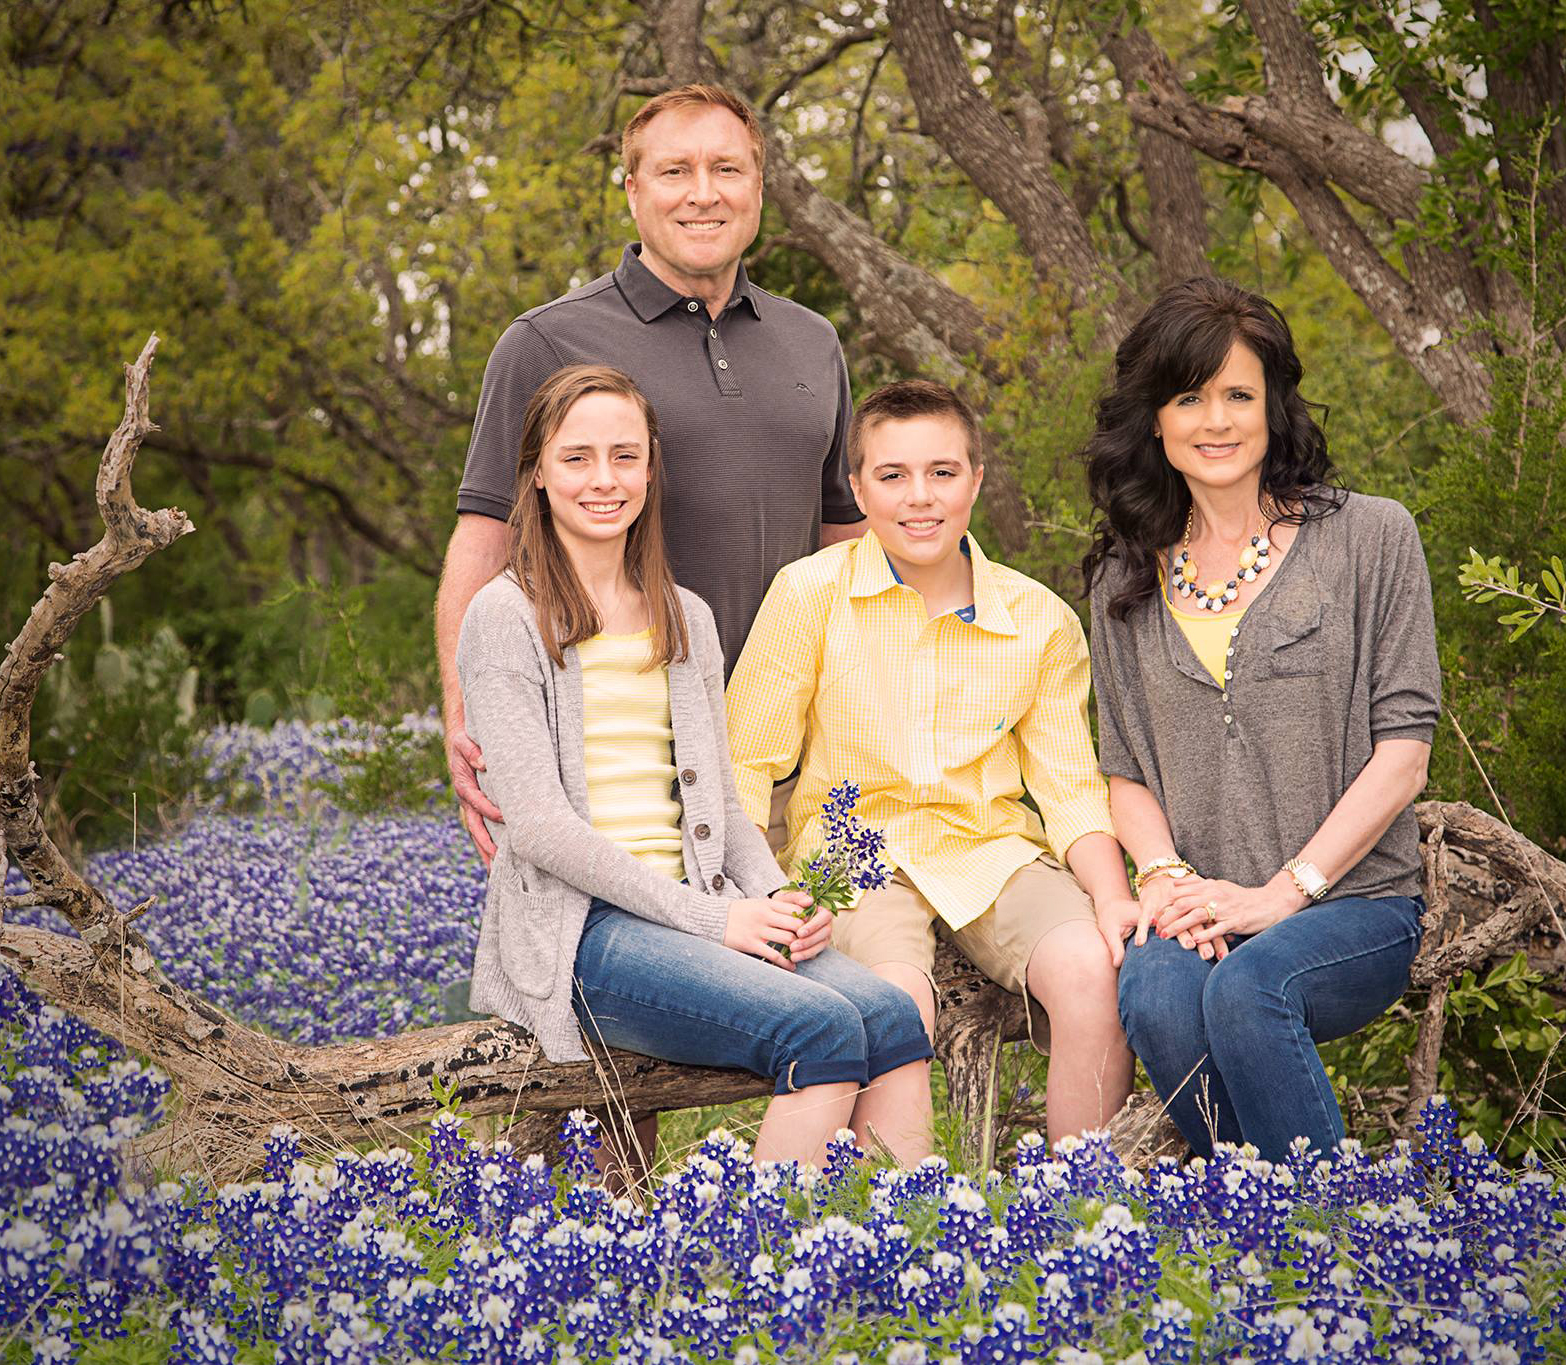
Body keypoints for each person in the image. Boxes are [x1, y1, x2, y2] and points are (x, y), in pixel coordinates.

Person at [456, 363, 932, 1169]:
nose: (603, 480)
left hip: (699, 908)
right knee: (818, 1030)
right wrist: (717, 922)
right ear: (536, 472)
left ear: (649, 468)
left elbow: (722, 804)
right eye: (576, 458)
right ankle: (754, 1269)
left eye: (624, 456)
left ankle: (894, 1240)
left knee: (890, 1020)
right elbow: (536, 827)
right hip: (587, 933)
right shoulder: (504, 614)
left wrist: (776, 893)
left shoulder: (687, 617)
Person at [439, 82, 864, 868]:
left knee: (811, 979)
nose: (703, 194)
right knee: (616, 990)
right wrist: (467, 714)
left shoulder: (813, 342)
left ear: (758, 188)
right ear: (633, 192)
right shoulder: (547, 341)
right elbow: (485, 536)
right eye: (674, 172)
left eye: (727, 170)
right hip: (617, 768)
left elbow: (849, 542)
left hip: (790, 764)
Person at [1081, 277, 1440, 1161]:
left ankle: (1337, 1240)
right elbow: (1124, 766)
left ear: (1274, 409)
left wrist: (1280, 895)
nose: (1215, 420)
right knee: (1157, 996)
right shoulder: (1123, 579)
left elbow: (1404, 753)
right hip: (1200, 905)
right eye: (1188, 397)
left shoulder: (1369, 538)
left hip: (1350, 903)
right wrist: (1162, 876)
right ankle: (1255, 1240)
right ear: (1154, 421)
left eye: (1238, 395)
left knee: (1249, 987)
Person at [727, 380, 1137, 1147]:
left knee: (1090, 969)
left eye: (943, 472)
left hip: (989, 849)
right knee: (896, 1001)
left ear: (975, 479)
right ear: (856, 488)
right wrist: (762, 894)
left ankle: (1080, 1207)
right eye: (892, 476)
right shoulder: (810, 593)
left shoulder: (1037, 619)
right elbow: (746, 762)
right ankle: (899, 1231)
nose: (920, 498)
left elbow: (1071, 791)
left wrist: (1112, 898)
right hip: (852, 855)